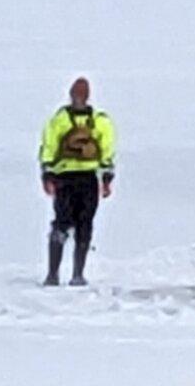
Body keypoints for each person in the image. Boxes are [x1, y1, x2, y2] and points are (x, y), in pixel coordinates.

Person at [39, 77, 116, 287]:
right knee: (82, 224)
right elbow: (107, 150)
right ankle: (74, 274)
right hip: (86, 178)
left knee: (63, 223)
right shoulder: (99, 120)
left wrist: (47, 173)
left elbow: (49, 147)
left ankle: (55, 274)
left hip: (66, 177)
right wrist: (107, 178)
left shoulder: (60, 119)